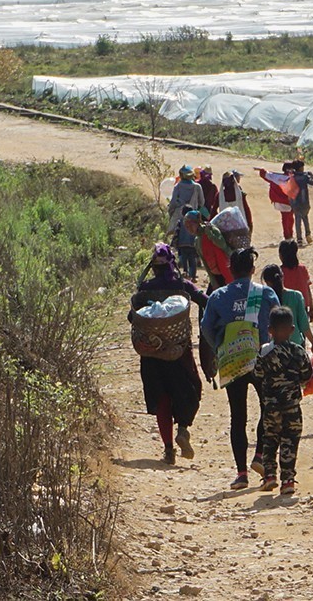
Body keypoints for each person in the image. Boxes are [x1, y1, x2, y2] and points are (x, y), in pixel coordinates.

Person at [201, 247, 279, 490]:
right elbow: (279, 321)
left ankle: (241, 473)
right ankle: (261, 459)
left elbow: (206, 329)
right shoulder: (266, 294)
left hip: (232, 361)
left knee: (238, 417)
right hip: (262, 358)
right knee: (269, 410)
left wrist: (221, 348)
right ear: (253, 270)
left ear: (230, 270)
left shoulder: (218, 296)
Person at [129, 243, 207, 464]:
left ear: (153, 268)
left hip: (152, 353)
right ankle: (182, 428)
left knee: (162, 399)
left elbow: (131, 317)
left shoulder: (145, 288)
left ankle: (168, 449)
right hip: (178, 351)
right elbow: (204, 302)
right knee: (190, 390)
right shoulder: (182, 286)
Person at [254, 306, 313, 495]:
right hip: (292, 406)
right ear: (292, 329)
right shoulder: (298, 352)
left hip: (271, 406)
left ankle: (269, 475)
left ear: (269, 329)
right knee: (290, 441)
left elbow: (257, 373)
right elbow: (307, 374)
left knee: (270, 440)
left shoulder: (264, 352)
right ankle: (288, 480)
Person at [261, 264, 313, 354]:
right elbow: (303, 323)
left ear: (267, 282)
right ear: (282, 277)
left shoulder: (265, 299)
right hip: (296, 345)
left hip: (273, 347)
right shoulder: (296, 296)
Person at [183, 210, 233, 289]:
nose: (188, 228)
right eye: (186, 226)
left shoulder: (211, 229)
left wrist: (209, 233)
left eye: (190, 225)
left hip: (229, 270)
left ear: (198, 222)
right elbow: (205, 263)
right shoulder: (197, 241)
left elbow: (222, 245)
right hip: (216, 275)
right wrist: (213, 282)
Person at [256, 163, 296, 241]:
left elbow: (264, 174)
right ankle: (288, 235)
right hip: (288, 202)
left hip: (281, 202)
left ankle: (288, 235)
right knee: (288, 219)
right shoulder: (293, 178)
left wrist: (262, 169)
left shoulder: (275, 177)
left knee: (286, 218)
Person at [279, 238, 313, 321]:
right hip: (302, 307)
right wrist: (312, 309)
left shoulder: (280, 272)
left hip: (286, 309)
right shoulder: (302, 269)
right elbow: (307, 289)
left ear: (281, 255)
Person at [167, 166, 205, 235]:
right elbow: (202, 203)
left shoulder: (177, 186)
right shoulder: (197, 187)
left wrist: (171, 212)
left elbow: (173, 203)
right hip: (193, 217)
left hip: (179, 216)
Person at [290, 159, 313, 246]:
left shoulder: (292, 177)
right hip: (304, 201)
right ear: (301, 168)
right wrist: (312, 175)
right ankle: (308, 235)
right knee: (305, 218)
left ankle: (299, 239)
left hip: (295, 202)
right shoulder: (305, 177)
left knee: (297, 220)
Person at [217, 170, 253, 235]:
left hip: (225, 228)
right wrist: (250, 225)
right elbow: (246, 209)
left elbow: (214, 211)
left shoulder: (220, 195)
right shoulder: (240, 194)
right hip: (240, 227)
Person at [172, 204, 198, 279]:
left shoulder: (180, 221)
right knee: (192, 261)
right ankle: (193, 276)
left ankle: (185, 273)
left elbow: (177, 232)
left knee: (184, 260)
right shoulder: (195, 222)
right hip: (192, 245)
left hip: (182, 244)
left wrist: (174, 243)